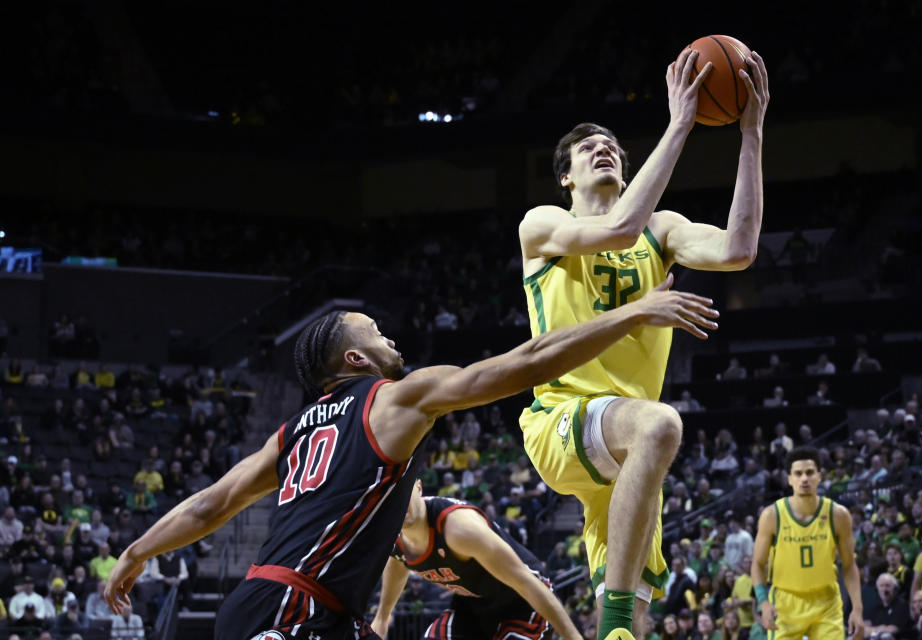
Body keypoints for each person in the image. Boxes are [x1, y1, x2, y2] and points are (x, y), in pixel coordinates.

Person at [104, 299, 717, 639]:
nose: (388, 335)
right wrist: (631, 315)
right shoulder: (393, 398)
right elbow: (528, 360)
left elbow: (210, 505)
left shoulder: (289, 433)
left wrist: (136, 552)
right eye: (375, 331)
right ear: (354, 357)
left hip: (274, 604)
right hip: (293, 613)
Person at [516, 46, 769, 640]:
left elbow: (738, 249)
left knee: (633, 613)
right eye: (586, 148)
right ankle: (616, 618)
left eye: (611, 146)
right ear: (566, 177)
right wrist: (681, 121)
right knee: (661, 425)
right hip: (563, 416)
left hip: (625, 447)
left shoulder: (663, 231)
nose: (602, 148)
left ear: (628, 173)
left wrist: (751, 134)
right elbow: (617, 228)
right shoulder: (542, 226)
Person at [372, 481, 581, 640]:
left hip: (522, 600)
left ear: (418, 486)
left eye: (403, 490)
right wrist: (382, 616)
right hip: (474, 607)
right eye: (391, 496)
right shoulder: (391, 533)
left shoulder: (459, 529)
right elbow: (399, 559)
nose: (398, 501)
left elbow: (526, 582)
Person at [750, 446, 864, 639]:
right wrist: (764, 602)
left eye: (810, 472)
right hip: (786, 603)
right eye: (798, 473)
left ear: (819, 476)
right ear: (789, 479)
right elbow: (758, 564)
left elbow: (849, 565)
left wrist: (858, 609)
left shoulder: (838, 515)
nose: (804, 478)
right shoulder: (772, 515)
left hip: (826, 602)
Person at [863, 572, 911, 640]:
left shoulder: (901, 605)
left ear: (895, 589)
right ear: (877, 589)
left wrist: (872, 630)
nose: (884, 590)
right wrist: (881, 628)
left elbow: (894, 629)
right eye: (881, 586)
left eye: (887, 586)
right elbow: (865, 626)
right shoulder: (877, 608)